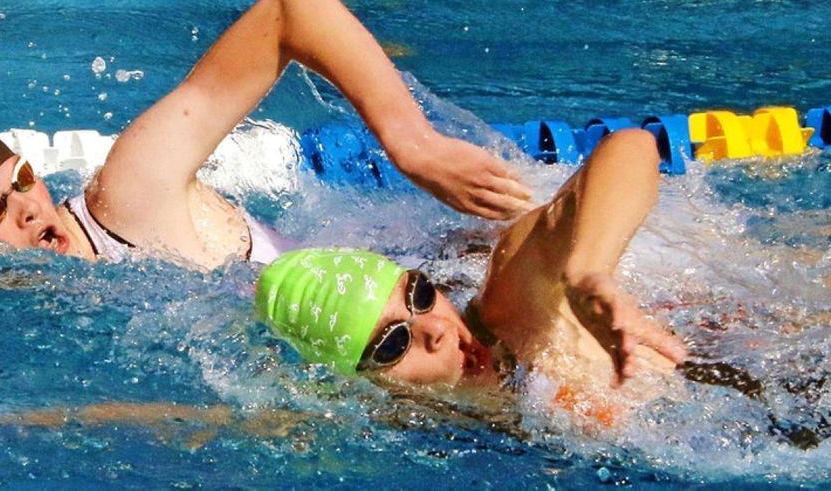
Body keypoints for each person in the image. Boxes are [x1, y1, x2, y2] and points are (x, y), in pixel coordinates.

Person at [0, 0, 532, 270]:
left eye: (21, 179)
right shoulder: (26, 305)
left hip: (446, 284)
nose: (27, 209)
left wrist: (413, 146)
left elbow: (294, 7)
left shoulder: (127, 197)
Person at [257, 129, 690, 425]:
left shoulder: (514, 306)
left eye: (421, 294)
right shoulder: (396, 417)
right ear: (358, 382)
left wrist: (587, 270)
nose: (439, 328)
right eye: (394, 343)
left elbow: (632, 147)